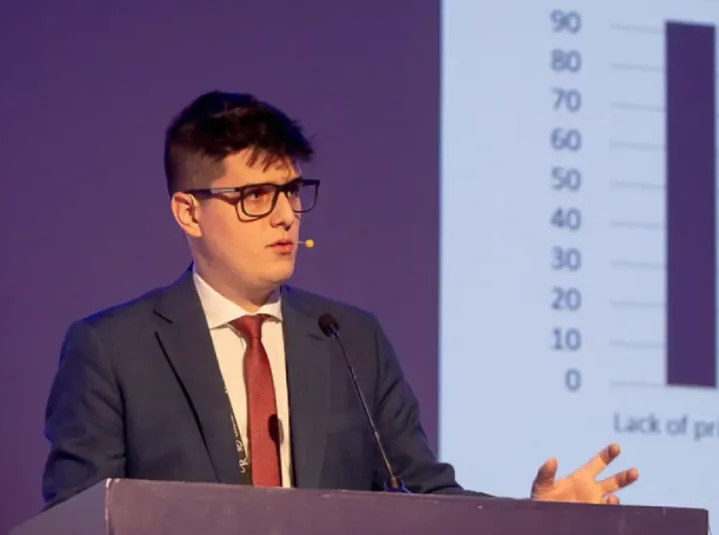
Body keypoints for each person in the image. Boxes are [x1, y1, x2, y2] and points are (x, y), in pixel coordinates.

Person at [41, 90, 639, 508]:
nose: (285, 215)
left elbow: (422, 497)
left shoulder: (350, 339)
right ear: (189, 212)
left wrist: (534, 518)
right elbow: (80, 525)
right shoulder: (112, 350)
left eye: (291, 191)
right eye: (255, 196)